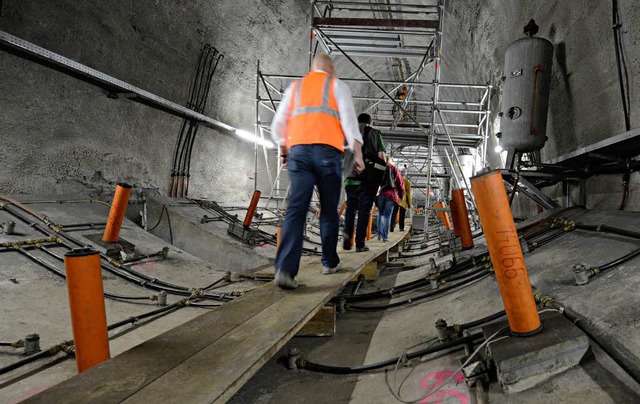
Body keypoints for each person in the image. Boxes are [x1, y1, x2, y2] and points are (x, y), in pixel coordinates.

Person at [270, 54, 365, 290]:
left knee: (296, 208)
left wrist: (284, 146)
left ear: (312, 68)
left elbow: (278, 123)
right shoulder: (337, 85)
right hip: (327, 154)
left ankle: (285, 270)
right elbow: (349, 122)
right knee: (328, 210)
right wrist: (358, 153)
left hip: (299, 153)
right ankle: (329, 262)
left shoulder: (296, 87)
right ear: (331, 69)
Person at [343, 113, 386, 252]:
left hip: (349, 178)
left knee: (350, 208)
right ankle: (360, 244)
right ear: (370, 122)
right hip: (367, 180)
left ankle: (347, 240)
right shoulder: (375, 133)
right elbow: (381, 157)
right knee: (364, 211)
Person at [376, 158, 404, 242]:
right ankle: (385, 237)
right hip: (391, 195)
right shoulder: (394, 169)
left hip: (381, 194)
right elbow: (400, 183)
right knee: (387, 216)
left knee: (380, 214)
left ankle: (379, 235)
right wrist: (401, 196)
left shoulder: (379, 167)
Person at [391, 167, 412, 232]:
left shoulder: (395, 180)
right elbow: (408, 194)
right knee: (402, 215)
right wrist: (409, 204)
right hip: (403, 201)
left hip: (395, 199)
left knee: (393, 214)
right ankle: (401, 227)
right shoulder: (407, 182)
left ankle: (391, 227)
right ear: (405, 174)